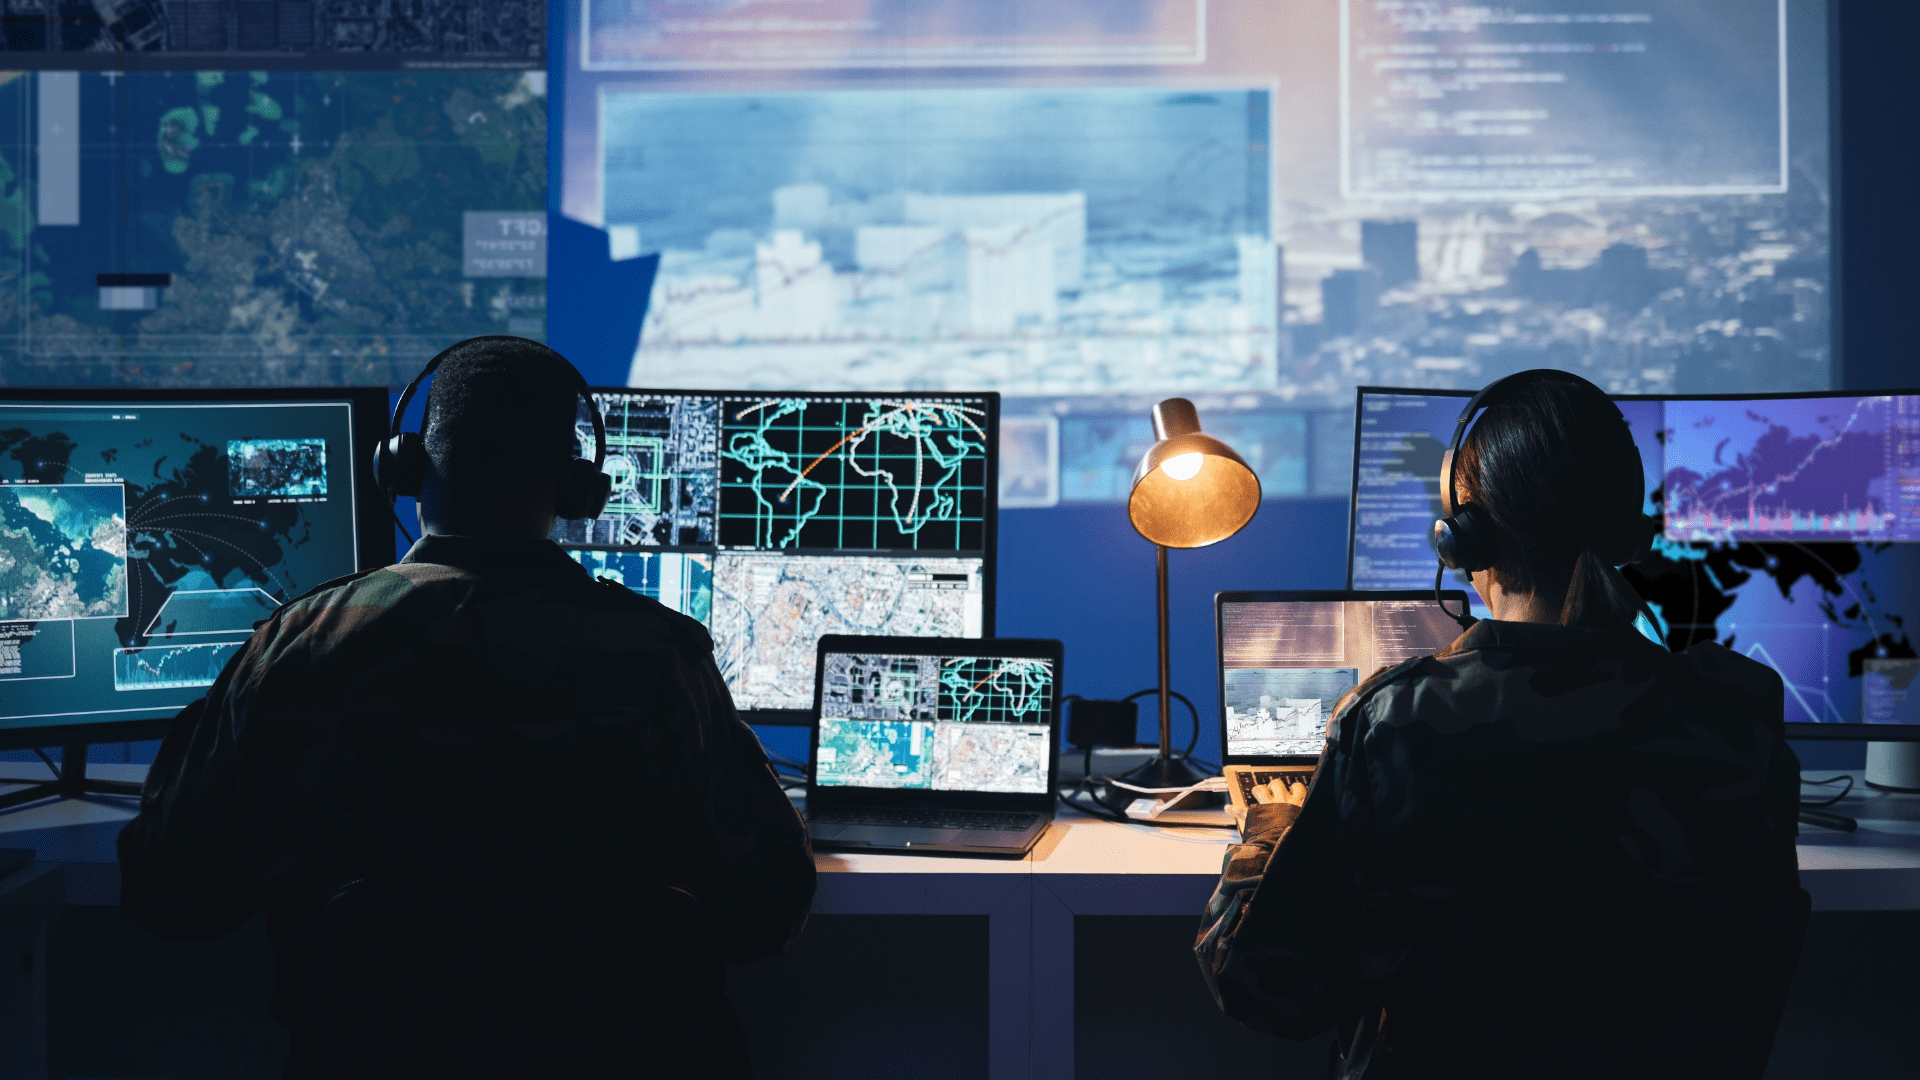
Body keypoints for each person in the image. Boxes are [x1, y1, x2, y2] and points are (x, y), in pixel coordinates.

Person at [118, 337, 815, 1075]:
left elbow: (170, 895)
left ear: (408, 469)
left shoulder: (299, 644)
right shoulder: (661, 655)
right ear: (576, 492)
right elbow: (766, 911)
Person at [1195, 370, 1807, 1079]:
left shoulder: (1395, 722)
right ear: (1624, 525)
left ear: (1466, 536)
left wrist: (1269, 829)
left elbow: (1268, 991)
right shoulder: (1735, 713)